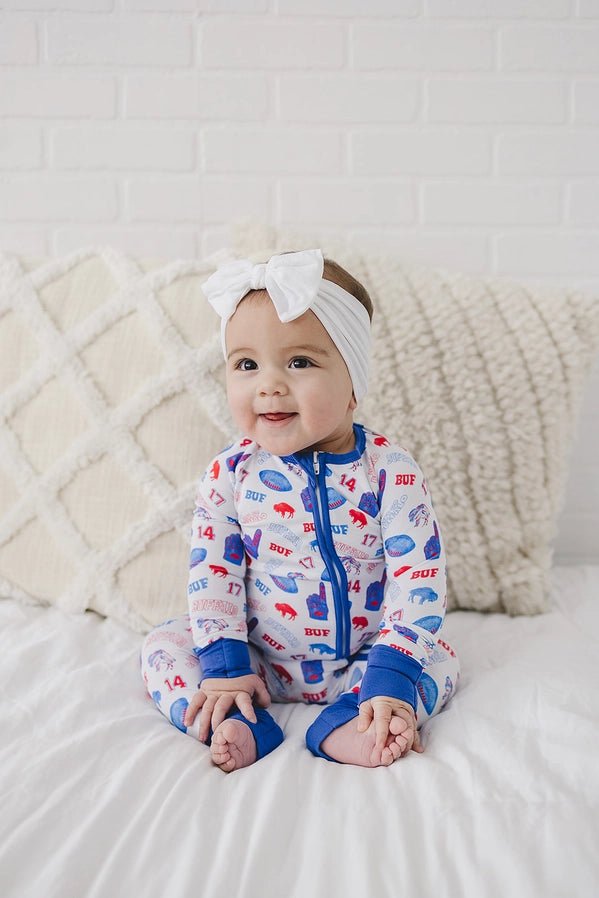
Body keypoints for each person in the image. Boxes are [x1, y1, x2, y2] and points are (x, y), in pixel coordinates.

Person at [140, 248, 459, 772]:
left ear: (353, 381)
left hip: (364, 658)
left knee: (441, 657)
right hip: (257, 664)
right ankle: (237, 719)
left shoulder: (390, 471)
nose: (268, 384)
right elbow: (212, 574)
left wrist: (389, 673)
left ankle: (356, 722)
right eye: (246, 364)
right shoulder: (231, 475)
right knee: (163, 648)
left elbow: (418, 577)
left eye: (299, 362)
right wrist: (225, 666)